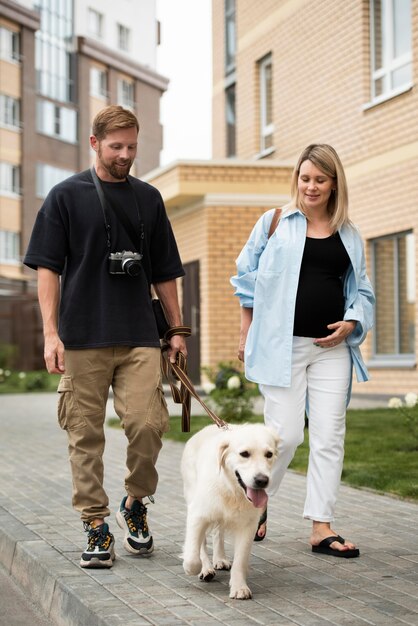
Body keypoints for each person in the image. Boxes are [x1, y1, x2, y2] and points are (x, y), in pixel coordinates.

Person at [24, 105, 187, 568]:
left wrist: (176, 330)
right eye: (117, 147)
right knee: (84, 434)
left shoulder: (148, 198)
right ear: (94, 143)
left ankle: (136, 503)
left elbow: (166, 272)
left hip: (138, 333)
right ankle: (95, 524)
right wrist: (50, 334)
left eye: (132, 146)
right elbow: (47, 270)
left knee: (148, 423)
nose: (125, 155)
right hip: (81, 336)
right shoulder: (64, 197)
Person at [230, 144, 375, 558]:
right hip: (282, 348)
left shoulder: (349, 233)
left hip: (332, 349)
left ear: (334, 184)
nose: (311, 186)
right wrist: (246, 332)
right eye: (305, 178)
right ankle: (254, 504)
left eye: (320, 180)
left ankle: (321, 526)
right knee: (286, 435)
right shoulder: (274, 222)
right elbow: (246, 279)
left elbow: (361, 290)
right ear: (297, 178)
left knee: (330, 436)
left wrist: (351, 321)